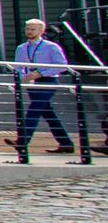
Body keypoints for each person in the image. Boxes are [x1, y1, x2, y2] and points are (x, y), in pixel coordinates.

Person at [13, 18, 76, 157]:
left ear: (41, 31)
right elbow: (18, 66)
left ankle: (22, 141)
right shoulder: (22, 48)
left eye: (33, 29)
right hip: (32, 82)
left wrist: (40, 73)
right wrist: (25, 75)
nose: (29, 31)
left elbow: (61, 65)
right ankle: (66, 143)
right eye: (28, 29)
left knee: (34, 110)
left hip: (48, 80)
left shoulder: (51, 47)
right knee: (48, 113)